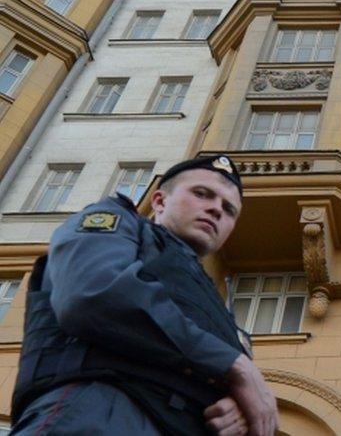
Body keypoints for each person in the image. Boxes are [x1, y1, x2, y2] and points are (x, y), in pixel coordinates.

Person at [10, 155, 279, 435]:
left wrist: (237, 410)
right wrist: (235, 366)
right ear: (160, 201)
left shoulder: (215, 302)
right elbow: (93, 294)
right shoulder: (121, 223)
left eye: (229, 209)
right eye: (202, 194)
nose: (215, 209)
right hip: (103, 412)